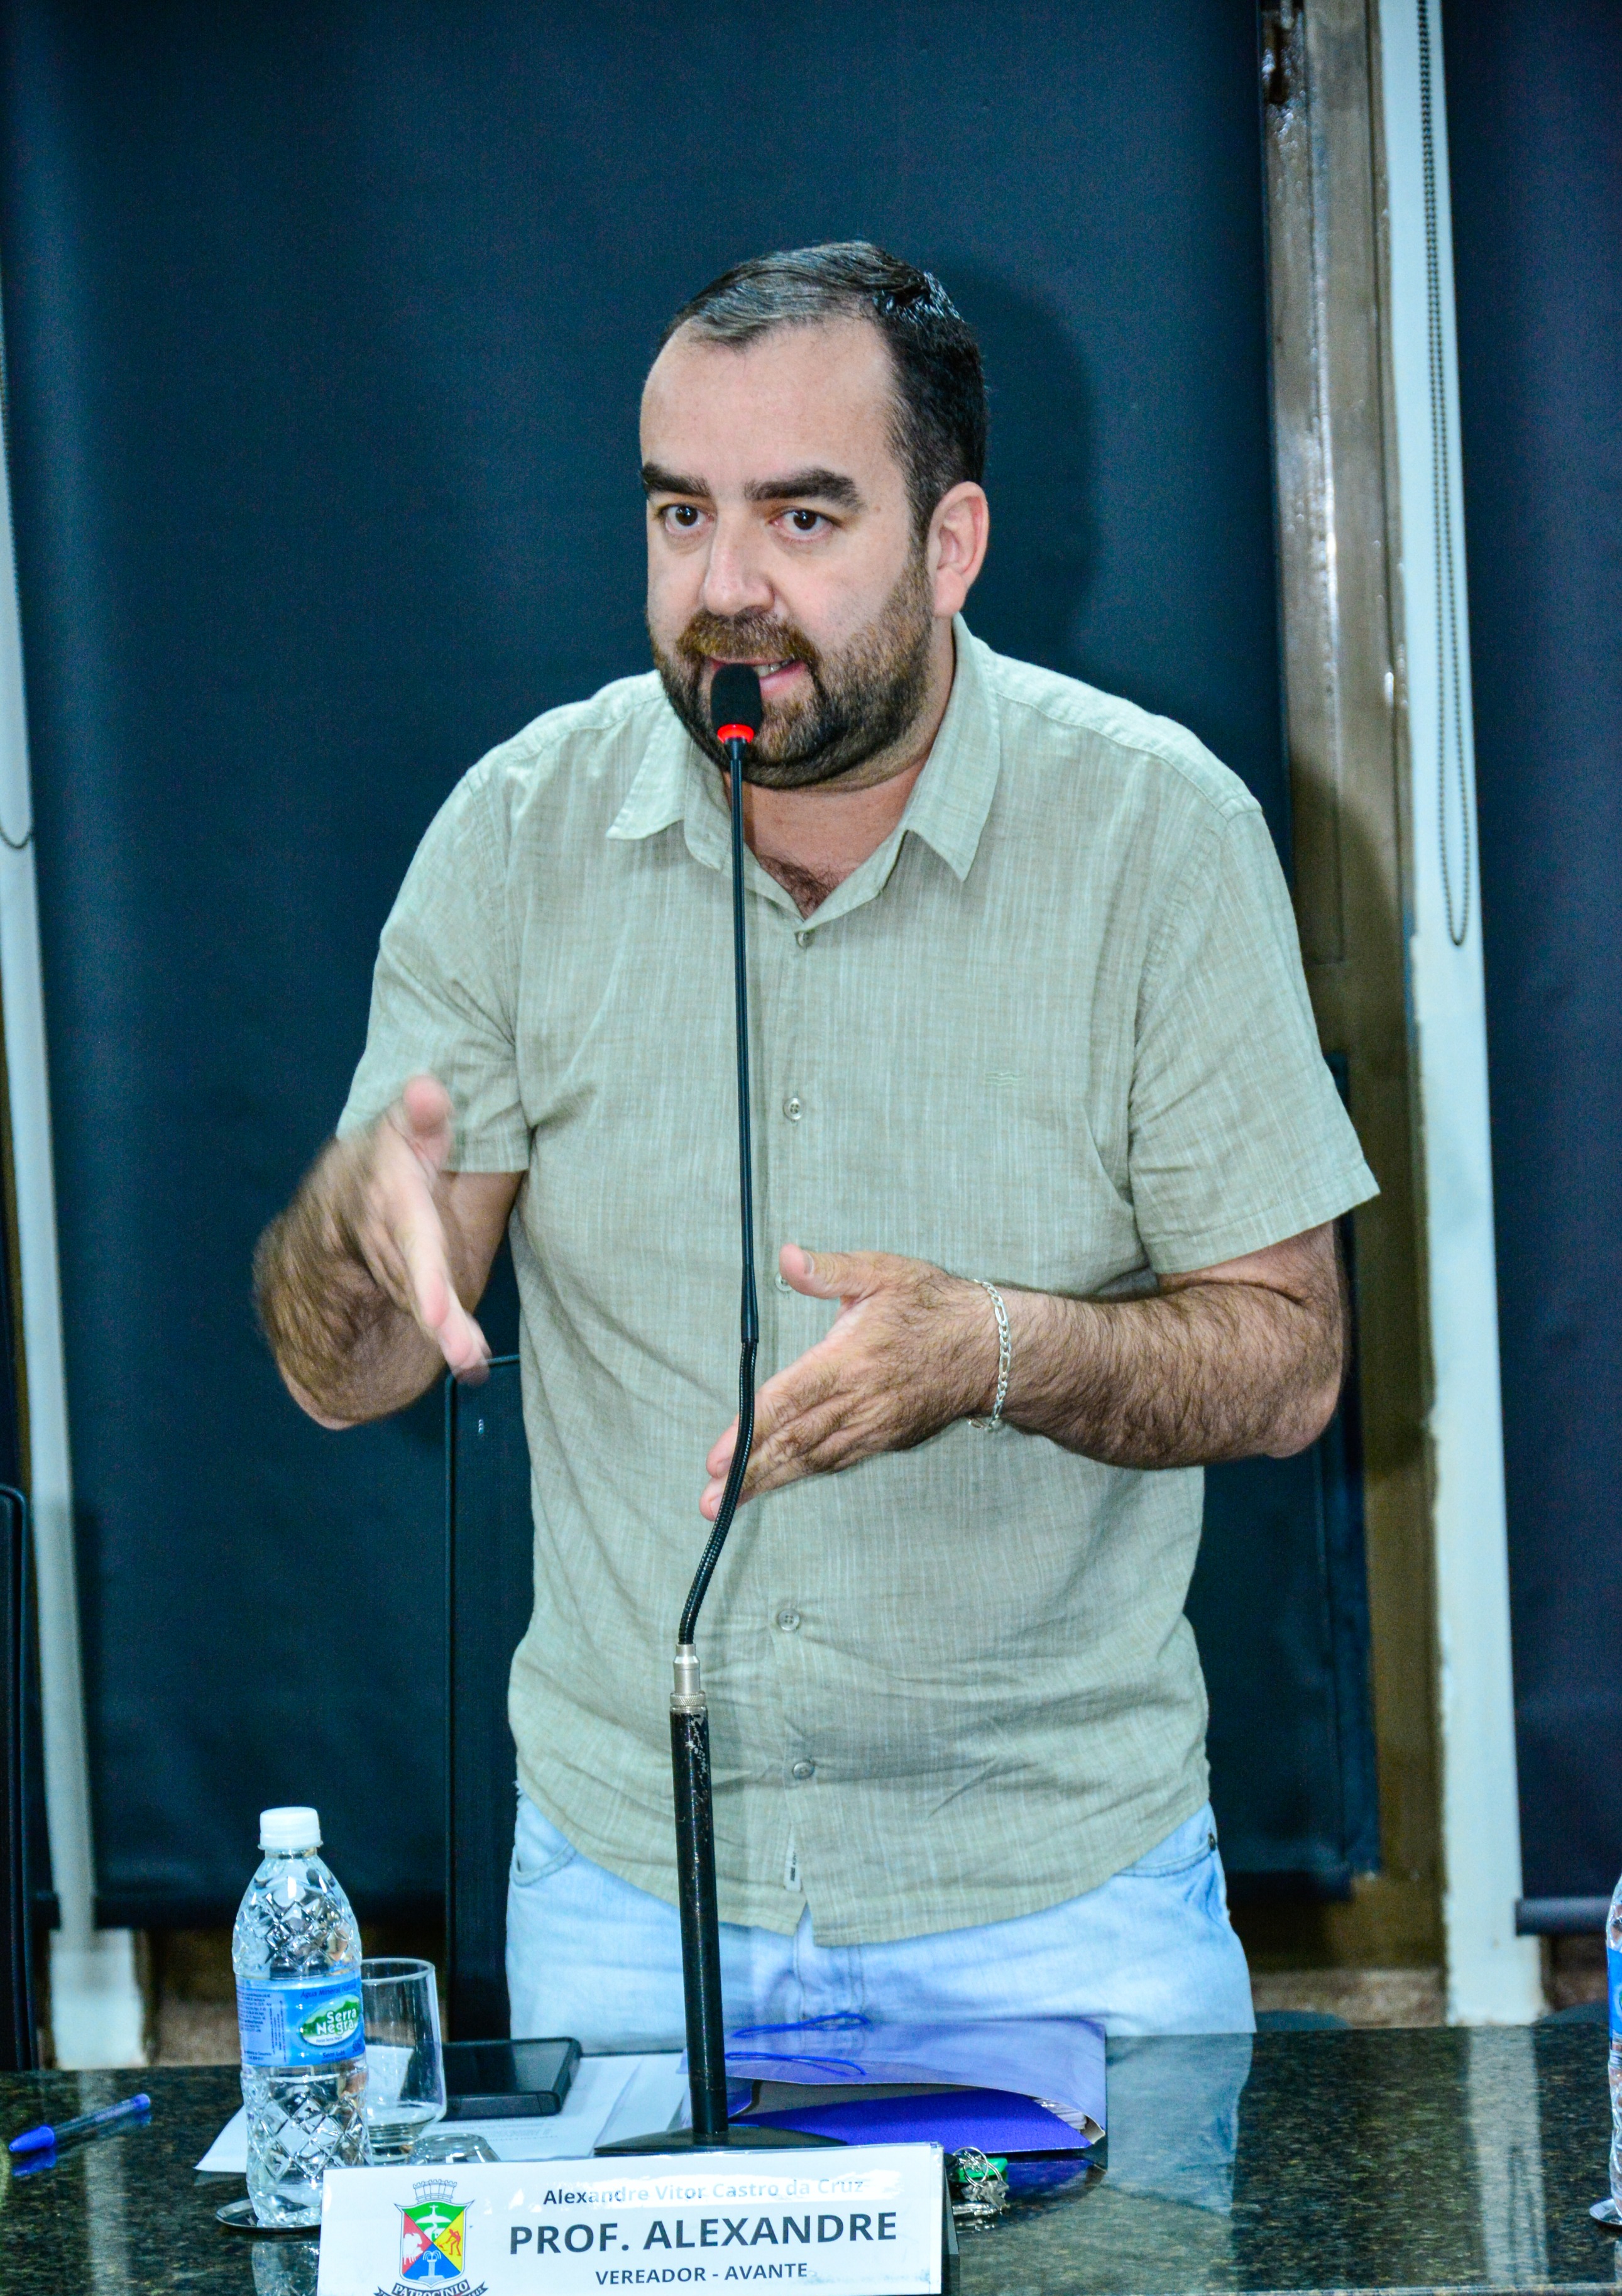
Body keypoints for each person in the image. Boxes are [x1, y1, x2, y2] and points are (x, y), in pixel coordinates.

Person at [256, 241, 1376, 2045]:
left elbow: (1290, 1363)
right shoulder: (517, 837)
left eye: (800, 518)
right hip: (632, 1912)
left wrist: (992, 1353)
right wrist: (348, 1241)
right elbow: (351, 1372)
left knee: (1107, 2271)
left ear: (951, 544)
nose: (725, 590)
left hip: (1057, 1914)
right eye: (679, 514)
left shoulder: (1159, 836)